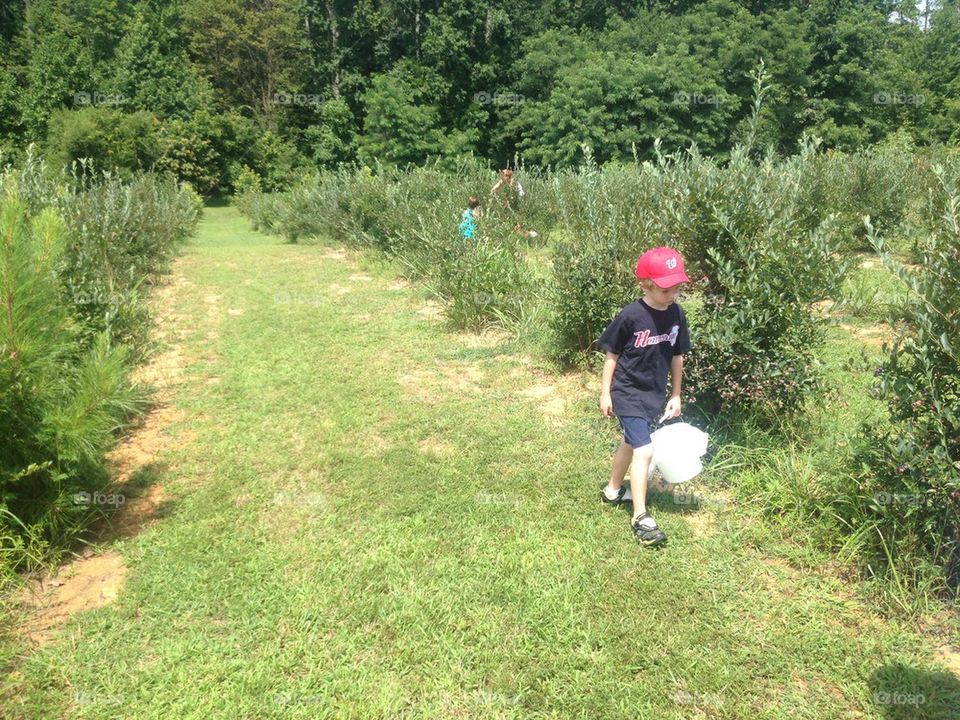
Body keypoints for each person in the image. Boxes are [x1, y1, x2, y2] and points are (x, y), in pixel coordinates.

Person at [596, 247, 691, 547]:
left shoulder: (676, 314)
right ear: (646, 284)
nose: (673, 291)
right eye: (666, 287)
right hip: (626, 392)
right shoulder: (630, 315)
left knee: (630, 441)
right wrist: (604, 393)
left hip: (653, 394)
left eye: (678, 285)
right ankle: (641, 516)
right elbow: (612, 354)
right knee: (644, 451)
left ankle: (612, 491)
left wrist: (675, 394)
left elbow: (677, 356)